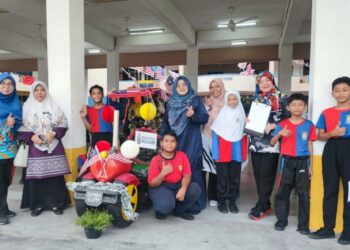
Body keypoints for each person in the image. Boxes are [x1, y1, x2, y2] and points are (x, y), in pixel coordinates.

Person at [18, 81, 70, 217]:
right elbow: (20, 128)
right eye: (37, 90)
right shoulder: (26, 108)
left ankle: (56, 203)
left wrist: (53, 133)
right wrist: (31, 137)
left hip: (54, 145)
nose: (40, 92)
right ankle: (37, 205)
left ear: (46, 91)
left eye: (42, 90)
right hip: (35, 148)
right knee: (37, 177)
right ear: (32, 92)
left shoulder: (54, 106)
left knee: (55, 176)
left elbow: (63, 122)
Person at [310, 77, 350, 245]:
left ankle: (348, 232)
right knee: (330, 189)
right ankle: (328, 229)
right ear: (332, 93)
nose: (340, 93)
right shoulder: (327, 113)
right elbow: (319, 136)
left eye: (344, 89)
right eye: (337, 90)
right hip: (331, 149)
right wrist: (331, 133)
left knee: (349, 193)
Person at [160, 76, 209, 213]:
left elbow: (204, 118)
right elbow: (165, 123)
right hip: (175, 142)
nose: (181, 87)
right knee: (176, 171)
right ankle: (178, 201)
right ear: (174, 88)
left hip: (192, 141)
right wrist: (162, 140)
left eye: (184, 84)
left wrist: (193, 115)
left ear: (188, 85)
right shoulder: (170, 103)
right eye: (178, 85)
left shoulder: (195, 99)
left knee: (193, 169)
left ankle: (197, 203)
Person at [270, 93, 316, 234]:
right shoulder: (283, 124)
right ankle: (282, 220)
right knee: (283, 192)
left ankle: (303, 225)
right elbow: (272, 142)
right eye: (293, 105)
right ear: (288, 107)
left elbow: (310, 146)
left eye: (300, 105)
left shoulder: (309, 125)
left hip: (303, 162)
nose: (297, 108)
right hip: (287, 161)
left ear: (305, 107)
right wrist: (279, 134)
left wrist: (311, 166)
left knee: (303, 194)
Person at [248, 71, 289, 220]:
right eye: (261, 81)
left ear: (272, 81)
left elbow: (289, 119)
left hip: (272, 143)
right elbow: (253, 117)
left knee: (267, 174)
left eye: (267, 80)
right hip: (256, 142)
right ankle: (264, 203)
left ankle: (262, 205)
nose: (264, 83)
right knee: (258, 174)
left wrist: (274, 125)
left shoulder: (281, 97)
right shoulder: (256, 98)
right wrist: (248, 120)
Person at [148, 130, 201, 220]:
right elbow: (152, 184)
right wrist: (163, 174)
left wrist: (183, 189)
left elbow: (187, 175)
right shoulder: (156, 160)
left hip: (177, 185)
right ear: (161, 143)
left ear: (176, 144)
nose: (169, 144)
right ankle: (161, 208)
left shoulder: (182, 156)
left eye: (172, 141)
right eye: (166, 141)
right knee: (164, 207)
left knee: (195, 188)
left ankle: (179, 210)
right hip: (161, 187)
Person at [211, 90, 246, 213]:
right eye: (229, 99)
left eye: (234, 99)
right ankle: (222, 202)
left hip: (236, 153)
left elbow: (245, 137)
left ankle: (232, 202)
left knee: (235, 179)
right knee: (222, 179)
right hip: (222, 153)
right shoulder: (221, 116)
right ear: (226, 100)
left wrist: (244, 154)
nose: (232, 101)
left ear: (238, 100)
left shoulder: (242, 116)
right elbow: (215, 137)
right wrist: (215, 154)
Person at [0, 73, 22, 225]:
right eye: (3, 83)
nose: (7, 87)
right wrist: (5, 123)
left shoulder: (16, 103)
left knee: (7, 180)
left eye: (10, 84)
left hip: (11, 149)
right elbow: (8, 124)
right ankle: (1, 213)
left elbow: (19, 123)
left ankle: (4, 208)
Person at [202, 78, 226, 206]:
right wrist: (209, 106)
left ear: (222, 87)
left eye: (217, 86)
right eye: (211, 87)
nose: (214, 89)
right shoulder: (206, 102)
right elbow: (203, 118)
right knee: (209, 167)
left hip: (223, 139)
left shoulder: (228, 102)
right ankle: (211, 196)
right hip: (207, 137)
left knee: (220, 168)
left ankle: (220, 195)